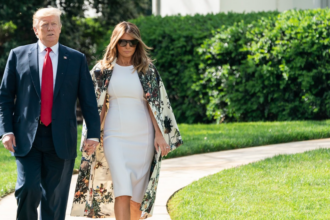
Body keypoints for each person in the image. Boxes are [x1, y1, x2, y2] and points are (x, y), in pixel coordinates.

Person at [71, 22, 183, 220]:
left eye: (132, 43)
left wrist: (160, 135)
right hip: (114, 136)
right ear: (115, 42)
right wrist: (93, 136)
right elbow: (98, 106)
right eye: (123, 42)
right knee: (122, 191)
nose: (127, 46)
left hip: (143, 137)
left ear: (138, 44)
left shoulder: (147, 71)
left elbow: (155, 106)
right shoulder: (102, 70)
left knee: (136, 200)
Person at [0, 7, 100, 220]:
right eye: (44, 24)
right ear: (36, 30)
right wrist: (6, 130)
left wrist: (93, 134)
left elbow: (88, 100)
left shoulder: (76, 59)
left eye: (54, 23)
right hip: (26, 137)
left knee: (54, 198)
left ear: (60, 28)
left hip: (61, 138)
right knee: (28, 188)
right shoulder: (17, 55)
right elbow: (5, 97)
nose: (50, 28)